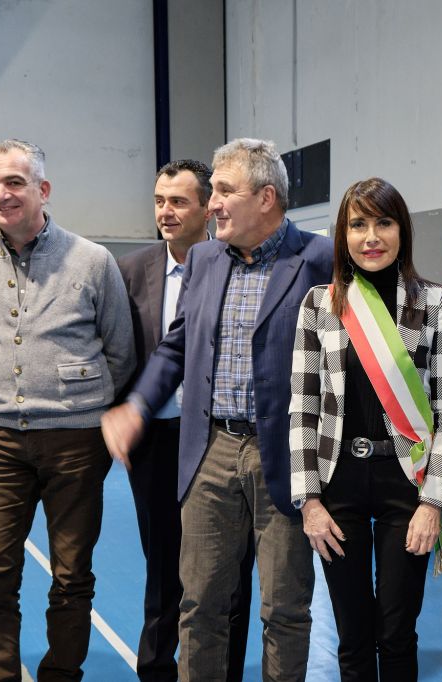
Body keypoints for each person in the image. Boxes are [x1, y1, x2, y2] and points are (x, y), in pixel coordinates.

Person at [103, 138, 333, 680]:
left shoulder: (319, 259)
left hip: (287, 456)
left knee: (284, 607)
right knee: (199, 602)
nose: (213, 205)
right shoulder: (206, 260)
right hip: (209, 453)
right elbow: (177, 346)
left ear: (267, 198)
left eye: (226, 192)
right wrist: (137, 405)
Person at [0, 139, 135, 681]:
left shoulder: (93, 261)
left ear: (42, 190)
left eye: (14, 182)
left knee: (73, 573)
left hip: (76, 444)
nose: (0, 194)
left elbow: (120, 351)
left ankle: (61, 674)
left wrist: (76, 403)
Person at [289, 178, 442, 681]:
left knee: (396, 631)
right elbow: (302, 407)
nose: (371, 236)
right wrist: (310, 500)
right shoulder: (319, 303)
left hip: (406, 480)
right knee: (353, 633)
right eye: (358, 224)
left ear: (402, 230)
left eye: (383, 223)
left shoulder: (436, 303)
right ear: (342, 234)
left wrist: (434, 502)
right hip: (336, 479)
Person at [117, 159, 255, 682]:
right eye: (159, 201)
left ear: (207, 208)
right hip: (156, 441)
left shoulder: (233, 264)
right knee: (162, 567)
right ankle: (155, 670)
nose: (166, 212)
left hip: (219, 440)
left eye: (178, 201)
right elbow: (122, 353)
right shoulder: (131, 271)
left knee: (229, 571)